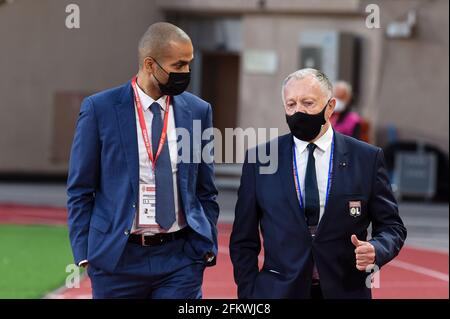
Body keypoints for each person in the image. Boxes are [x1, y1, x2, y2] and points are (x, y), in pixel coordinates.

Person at [67, 22, 219, 299]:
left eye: (189, 64)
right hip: (117, 259)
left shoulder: (199, 111)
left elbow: (205, 189)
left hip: (180, 259)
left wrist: (205, 244)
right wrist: (84, 252)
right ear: (150, 64)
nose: (186, 72)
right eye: (179, 65)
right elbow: (80, 189)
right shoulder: (99, 109)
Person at [229, 68, 406, 299]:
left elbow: (392, 226)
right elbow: (243, 239)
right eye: (290, 104)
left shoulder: (366, 158)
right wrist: (249, 293)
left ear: (330, 106)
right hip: (276, 292)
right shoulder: (260, 160)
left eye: (308, 103)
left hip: (345, 290)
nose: (298, 111)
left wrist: (377, 249)